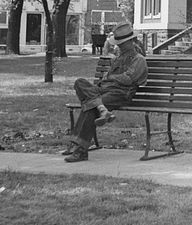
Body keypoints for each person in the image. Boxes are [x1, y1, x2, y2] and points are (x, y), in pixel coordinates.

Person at [63, 22, 148, 163]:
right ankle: (102, 109)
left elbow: (127, 79)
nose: (118, 46)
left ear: (130, 42)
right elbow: (104, 78)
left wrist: (111, 77)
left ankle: (80, 150)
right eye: (118, 43)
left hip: (121, 93)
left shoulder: (139, 60)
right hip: (104, 90)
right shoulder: (118, 58)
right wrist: (108, 79)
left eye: (122, 43)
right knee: (80, 82)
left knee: (90, 107)